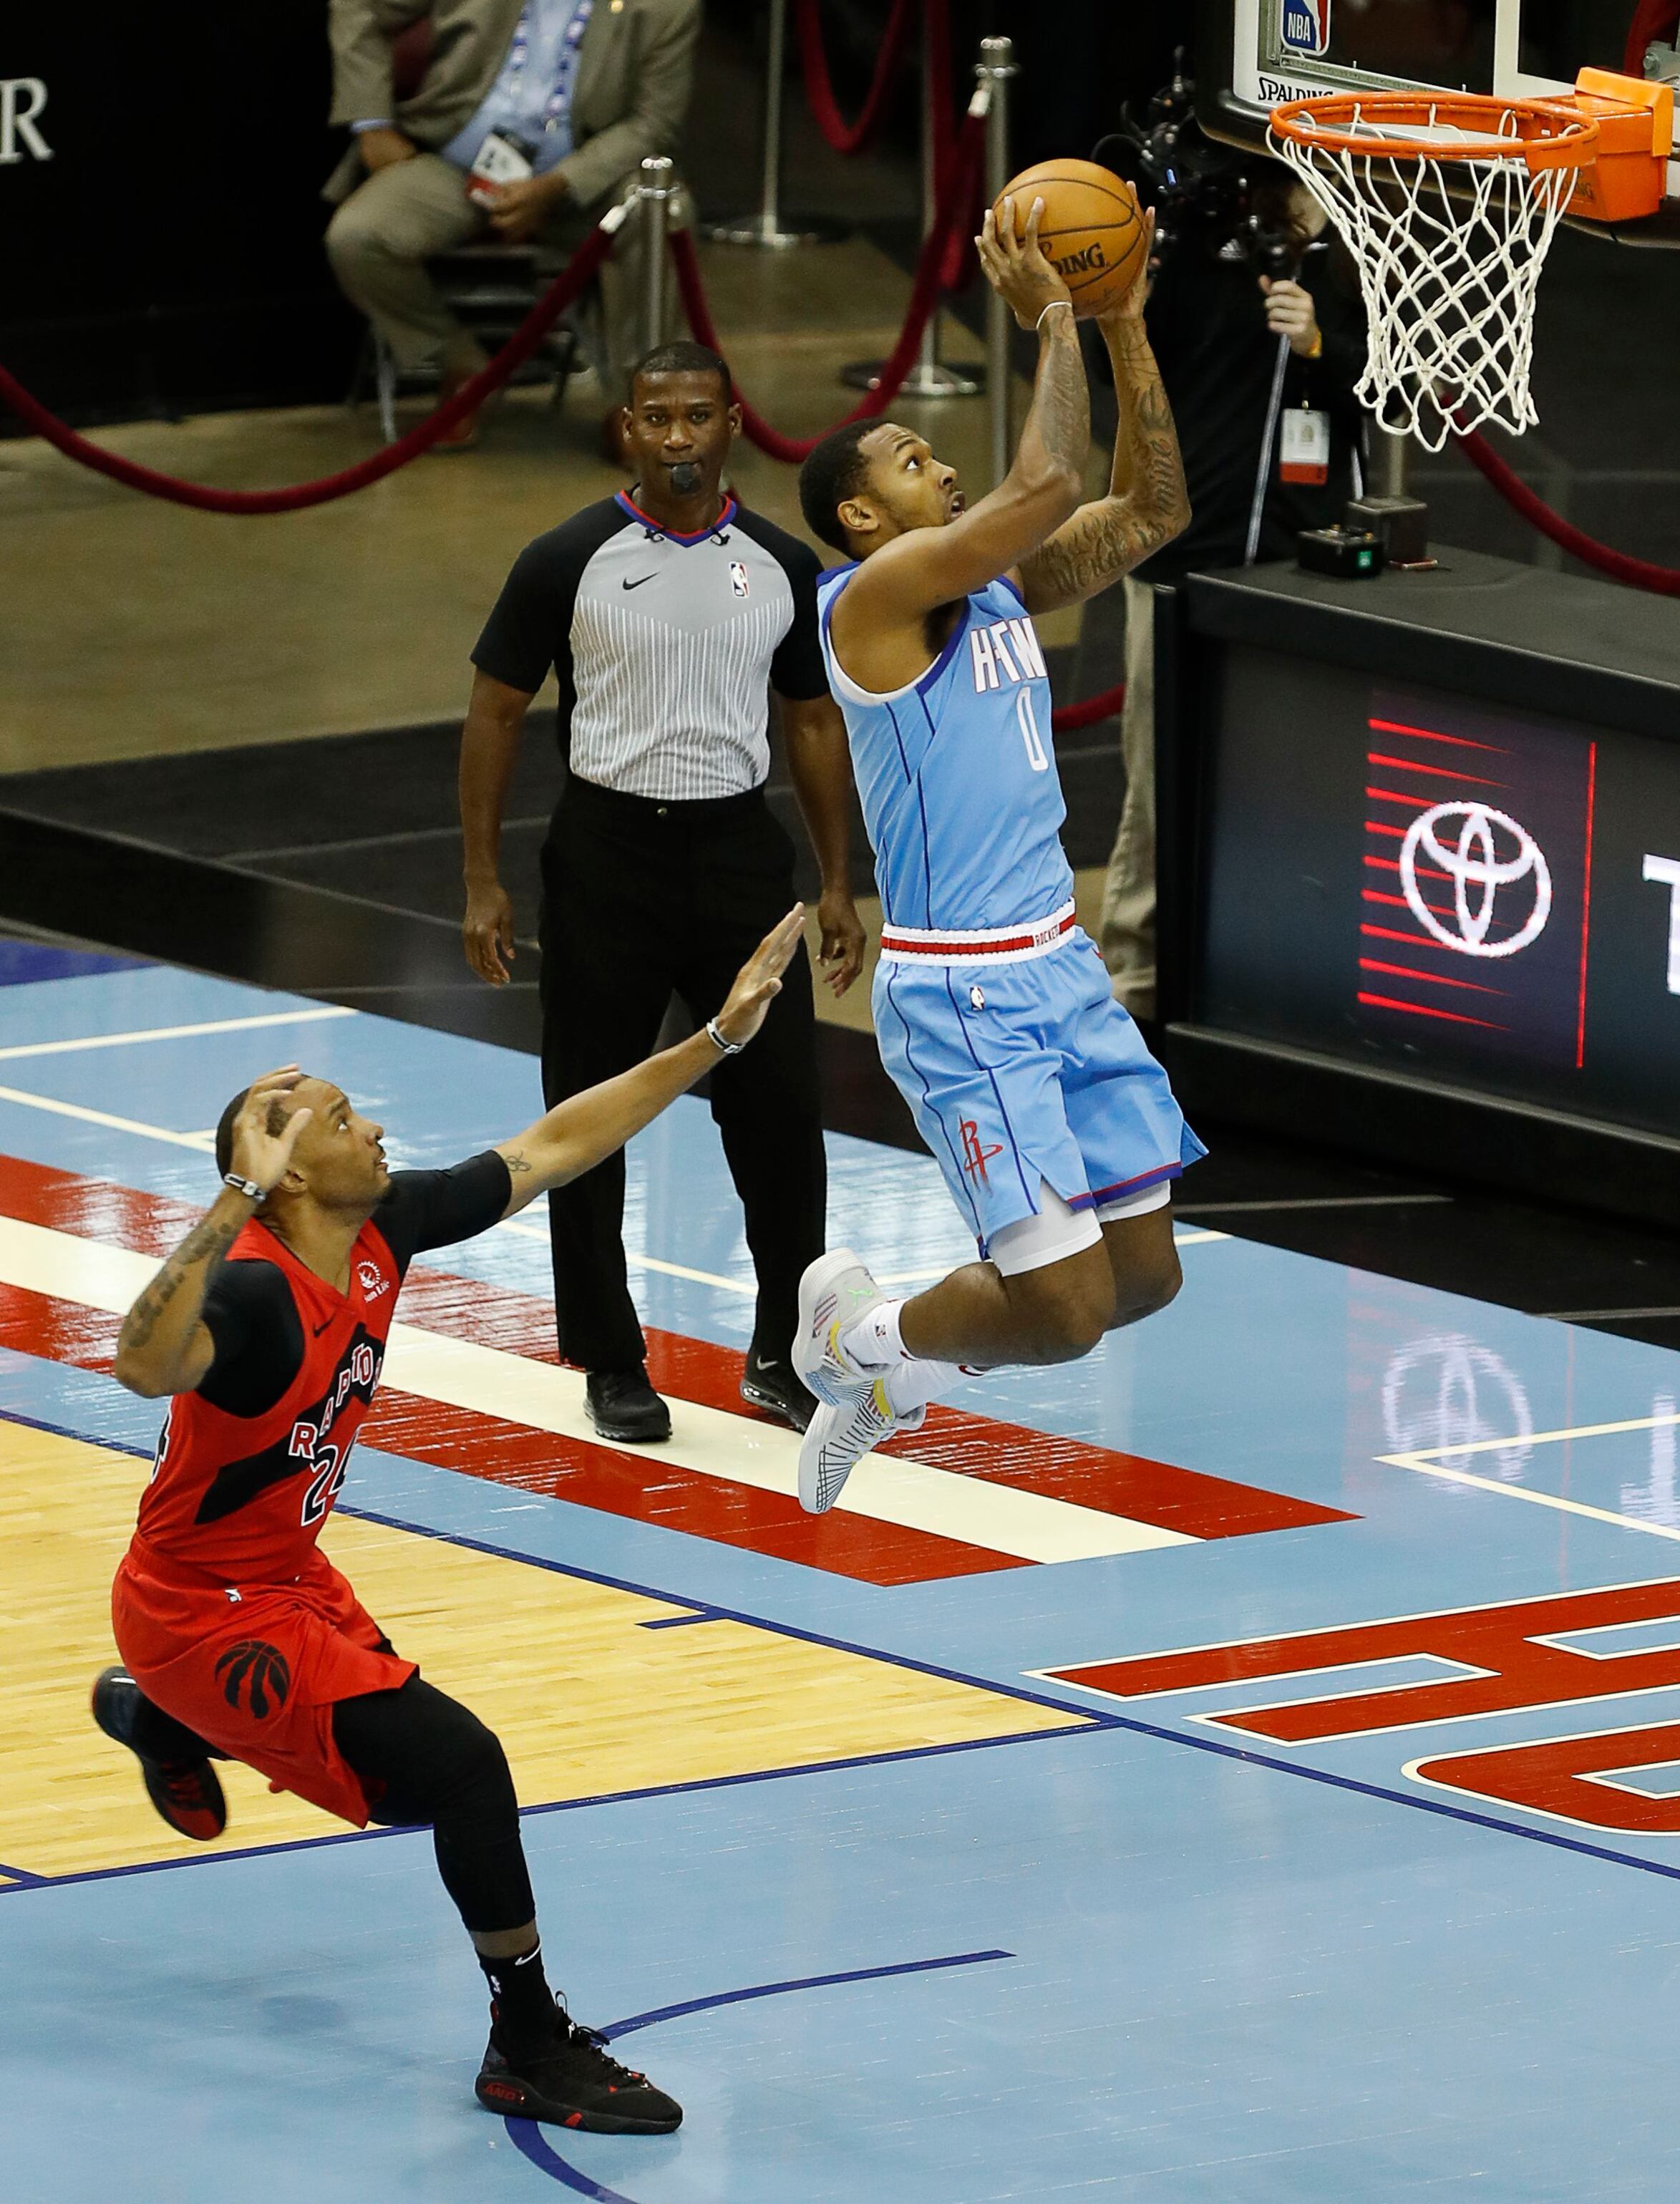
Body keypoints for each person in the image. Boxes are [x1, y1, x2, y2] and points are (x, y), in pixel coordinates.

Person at [91, 908, 802, 2135]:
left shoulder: (385, 1226)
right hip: (200, 1611)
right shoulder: (257, 1289)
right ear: (291, 1171)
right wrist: (230, 1196)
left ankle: (153, 1715)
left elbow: (557, 1139)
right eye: (342, 1116)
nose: (373, 1123)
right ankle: (524, 2037)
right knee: (463, 1768)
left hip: (280, 1574)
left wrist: (715, 1042)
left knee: (426, 1779)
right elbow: (138, 1361)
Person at [788, 191, 1198, 1515]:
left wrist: (1126, 321)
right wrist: (1055, 317)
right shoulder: (866, 606)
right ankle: (862, 1343)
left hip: (1060, 967)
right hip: (963, 991)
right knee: (1066, 1309)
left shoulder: (997, 591)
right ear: (858, 518)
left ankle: (893, 1359)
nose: (942, 470)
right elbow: (1049, 483)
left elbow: (1151, 508)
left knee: (1147, 1282)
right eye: (911, 461)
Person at [461, 341, 865, 1442]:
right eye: (657, 418)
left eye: (697, 416)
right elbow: (496, 712)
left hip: (741, 854)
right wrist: (483, 879)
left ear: (733, 422)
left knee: (782, 1112)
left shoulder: (782, 563)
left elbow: (814, 721)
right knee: (590, 1113)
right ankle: (609, 1355)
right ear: (628, 430)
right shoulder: (567, 558)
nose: (678, 436)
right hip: (605, 855)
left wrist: (838, 881)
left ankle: (786, 1350)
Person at [1099, 163, 1369, 1021]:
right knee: (1156, 770)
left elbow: (1393, 386)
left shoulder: (1361, 251)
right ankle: (1132, 978)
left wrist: (1321, 346)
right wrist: (1118, 310)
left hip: (1305, 555)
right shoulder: (1194, 237)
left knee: (1291, 775)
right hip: (1181, 545)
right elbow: (1131, 372)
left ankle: (1276, 971)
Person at [324, 0, 700, 451]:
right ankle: (460, 363)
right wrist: (372, 124)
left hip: (584, 181)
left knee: (661, 211)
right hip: (455, 163)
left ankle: (639, 403)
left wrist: (559, 185)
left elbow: (653, 122)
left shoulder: (666, 6)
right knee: (359, 237)